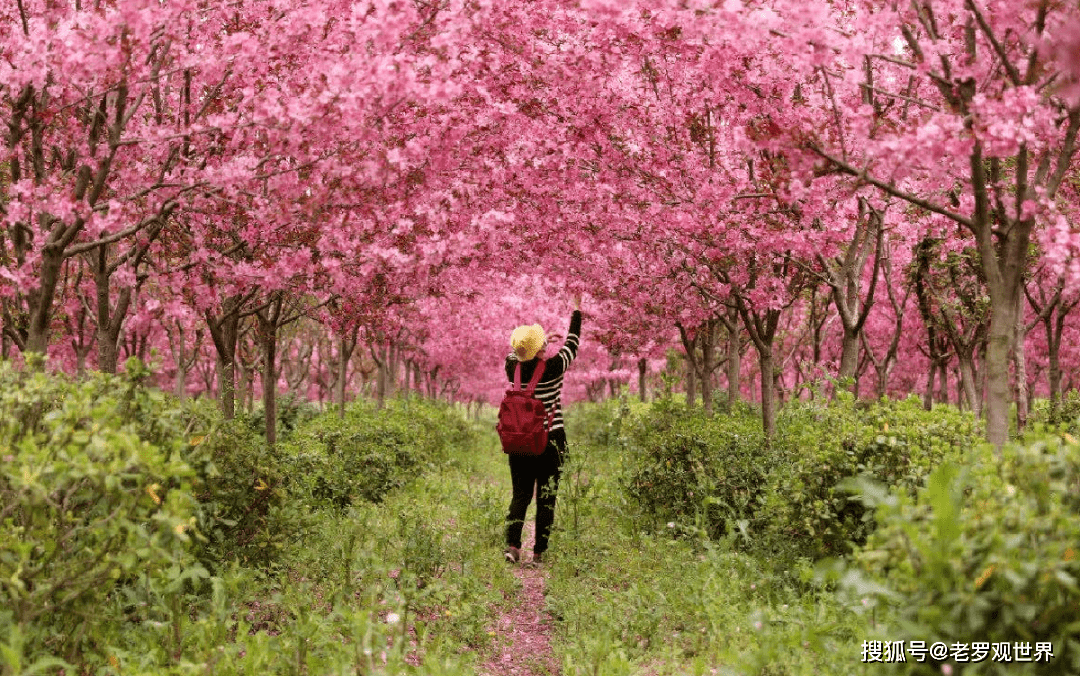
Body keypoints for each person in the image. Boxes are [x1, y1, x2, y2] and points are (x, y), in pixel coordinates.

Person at [503, 295, 582, 565]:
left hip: (520, 442)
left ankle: (513, 545)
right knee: (547, 497)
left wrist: (536, 342)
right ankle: (538, 552)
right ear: (542, 347)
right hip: (551, 440)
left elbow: (517, 352)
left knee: (520, 494)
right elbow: (572, 344)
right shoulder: (554, 368)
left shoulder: (511, 368)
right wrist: (577, 312)